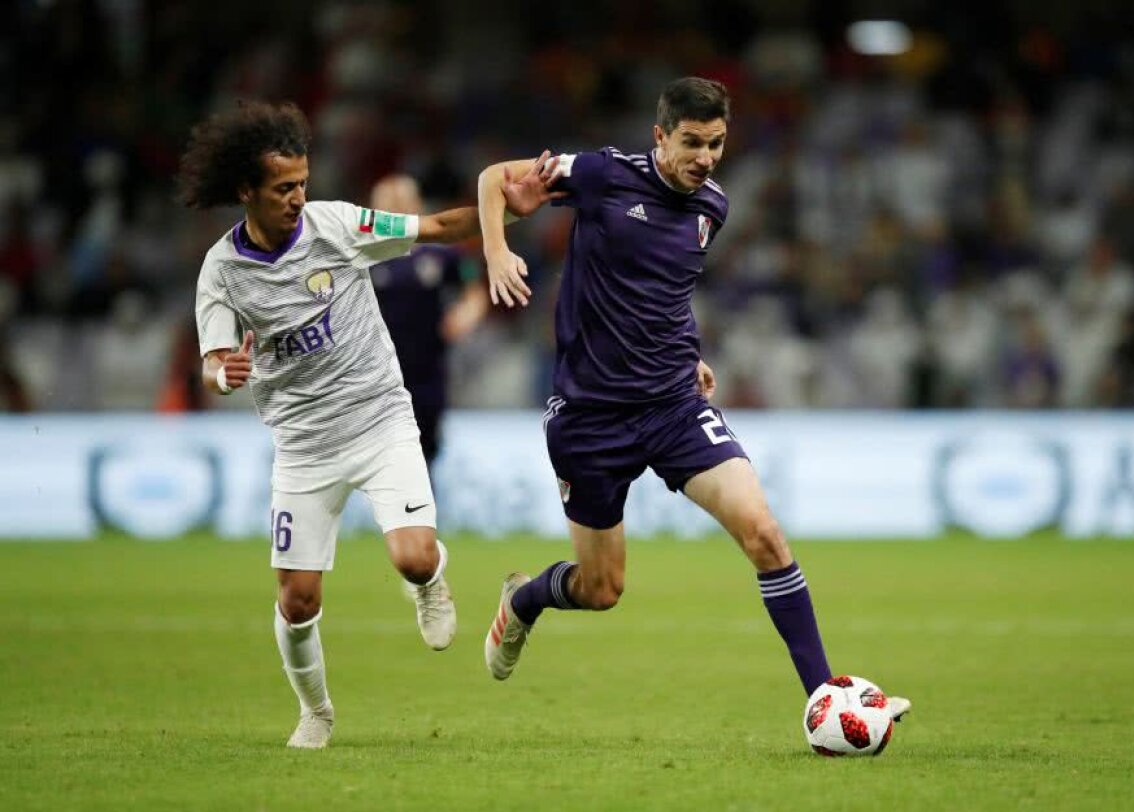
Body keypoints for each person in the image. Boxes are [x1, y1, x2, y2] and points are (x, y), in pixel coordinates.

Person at [477, 77, 911, 720]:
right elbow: (493, 178)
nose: (705, 157)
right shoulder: (601, 174)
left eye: (716, 143)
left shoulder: (713, 207)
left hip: (672, 405)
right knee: (601, 590)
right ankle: (526, 601)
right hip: (590, 416)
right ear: (660, 137)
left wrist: (690, 353)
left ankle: (824, 698)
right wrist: (496, 251)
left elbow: (665, 291)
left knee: (763, 534)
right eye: (691, 143)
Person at [180, 100, 552, 749]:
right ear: (245, 191)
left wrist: (507, 211)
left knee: (410, 557)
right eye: (283, 188)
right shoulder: (222, 273)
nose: (299, 197)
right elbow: (213, 360)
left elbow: (437, 225)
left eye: (302, 182)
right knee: (297, 600)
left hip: (379, 418)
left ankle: (432, 579)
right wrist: (223, 374)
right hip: (302, 445)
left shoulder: (337, 225)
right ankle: (316, 712)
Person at [367, 175, 490, 464]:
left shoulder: (444, 255)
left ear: (417, 205)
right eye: (388, 204)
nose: (395, 210)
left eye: (402, 202)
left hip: (427, 373)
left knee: (425, 454)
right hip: (376, 377)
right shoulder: (362, 258)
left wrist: (466, 313)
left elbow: (474, 287)